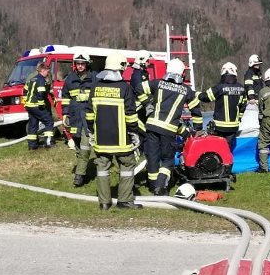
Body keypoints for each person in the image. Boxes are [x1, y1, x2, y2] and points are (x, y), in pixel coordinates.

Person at [87, 52, 141, 209]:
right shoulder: (125, 88)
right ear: (120, 67)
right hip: (121, 140)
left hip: (101, 139)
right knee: (127, 166)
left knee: (102, 169)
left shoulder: (95, 87)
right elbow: (131, 115)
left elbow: (89, 114)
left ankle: (104, 202)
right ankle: (125, 200)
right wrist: (134, 133)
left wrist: (91, 131)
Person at [144, 58, 202, 195]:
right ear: (182, 74)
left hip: (152, 126)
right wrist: (197, 128)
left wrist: (147, 104)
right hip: (168, 130)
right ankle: (160, 187)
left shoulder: (157, 83)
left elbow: (139, 88)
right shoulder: (186, 90)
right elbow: (195, 109)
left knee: (152, 157)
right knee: (167, 160)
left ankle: (152, 185)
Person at [197, 62, 247, 155]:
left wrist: (197, 94)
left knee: (217, 149)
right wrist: (238, 118)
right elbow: (243, 106)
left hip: (219, 126)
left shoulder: (219, 87)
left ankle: (218, 162)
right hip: (233, 126)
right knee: (228, 149)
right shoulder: (242, 88)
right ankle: (227, 162)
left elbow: (204, 97)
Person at [61, 49, 94, 186]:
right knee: (79, 148)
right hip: (75, 119)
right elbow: (65, 98)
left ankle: (78, 177)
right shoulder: (69, 79)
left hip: (88, 118)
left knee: (85, 148)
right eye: (78, 63)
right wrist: (65, 114)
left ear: (87, 64)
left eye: (82, 63)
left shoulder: (94, 79)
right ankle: (84, 172)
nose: (80, 66)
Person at [21, 61, 55, 150]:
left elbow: (24, 90)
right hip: (36, 105)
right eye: (47, 71)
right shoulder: (41, 80)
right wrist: (41, 104)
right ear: (42, 71)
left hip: (29, 106)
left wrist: (25, 102)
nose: (48, 73)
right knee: (49, 121)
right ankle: (48, 143)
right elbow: (41, 93)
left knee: (33, 124)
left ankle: (32, 145)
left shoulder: (32, 79)